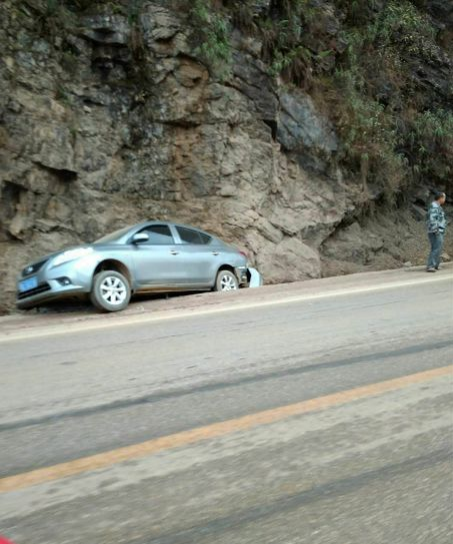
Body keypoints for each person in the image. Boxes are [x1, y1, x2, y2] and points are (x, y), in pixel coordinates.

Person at [426, 191, 447, 272]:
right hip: (435, 231)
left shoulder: (438, 207)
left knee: (438, 247)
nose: (445, 199)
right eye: (444, 197)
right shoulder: (434, 207)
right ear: (440, 198)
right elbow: (432, 219)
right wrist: (436, 230)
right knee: (436, 248)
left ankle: (435, 265)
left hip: (439, 230)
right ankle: (430, 265)